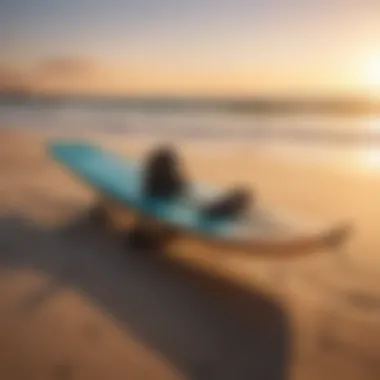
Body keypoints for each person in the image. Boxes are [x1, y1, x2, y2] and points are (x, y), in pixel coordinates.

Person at [142, 145, 252, 218]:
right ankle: (234, 201)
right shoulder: (168, 184)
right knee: (203, 205)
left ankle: (233, 201)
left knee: (203, 203)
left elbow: (182, 187)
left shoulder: (159, 182)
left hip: (183, 197)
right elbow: (182, 190)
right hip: (187, 201)